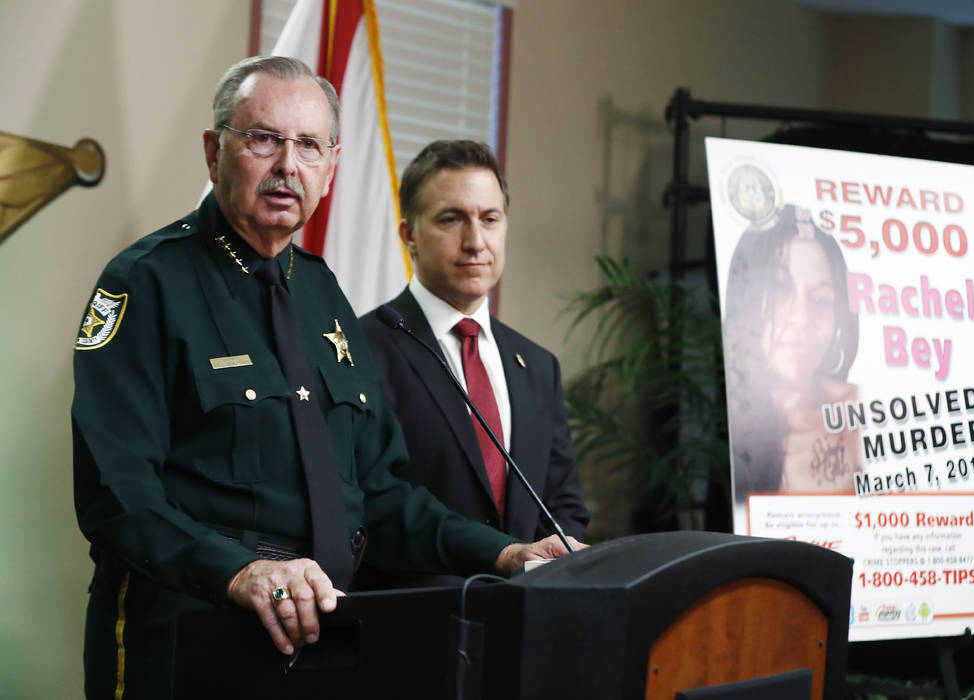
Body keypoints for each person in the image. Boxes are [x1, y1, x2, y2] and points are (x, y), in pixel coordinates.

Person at [71, 56, 572, 699]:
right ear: (212, 150)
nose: (287, 165)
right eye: (263, 138)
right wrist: (240, 572)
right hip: (183, 638)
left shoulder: (323, 293)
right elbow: (117, 496)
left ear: (331, 167)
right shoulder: (145, 282)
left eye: (309, 145)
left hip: (320, 647)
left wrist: (505, 555)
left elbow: (382, 497)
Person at [358, 140, 588, 588]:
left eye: (489, 219)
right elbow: (375, 500)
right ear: (409, 235)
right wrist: (501, 555)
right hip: (412, 623)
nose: (475, 241)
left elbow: (564, 506)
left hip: (526, 623)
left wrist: (556, 564)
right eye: (451, 219)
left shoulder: (538, 366)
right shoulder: (363, 348)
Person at [722, 203, 861, 500]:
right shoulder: (718, 420)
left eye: (821, 299)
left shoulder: (863, 421)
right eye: (779, 287)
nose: (801, 315)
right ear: (744, 298)